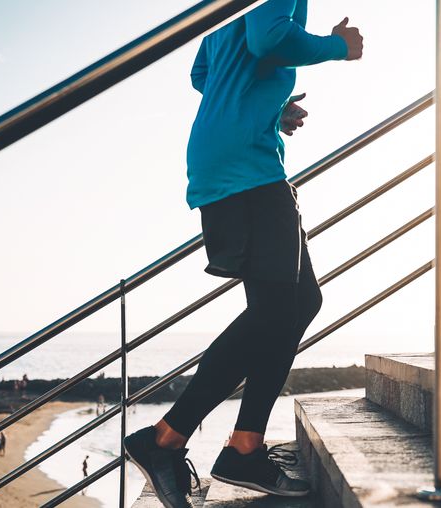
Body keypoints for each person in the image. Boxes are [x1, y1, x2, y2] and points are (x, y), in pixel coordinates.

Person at [124, 2, 363, 507]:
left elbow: (203, 72)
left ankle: (244, 445)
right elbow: (269, 40)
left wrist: (267, 108)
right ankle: (167, 438)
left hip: (230, 164)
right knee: (278, 308)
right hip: (247, 172)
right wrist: (337, 47)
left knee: (299, 303)